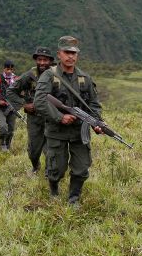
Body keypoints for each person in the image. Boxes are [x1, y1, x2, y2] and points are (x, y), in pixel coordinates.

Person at [33, 36, 103, 206]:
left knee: (81, 167)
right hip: (57, 130)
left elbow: (93, 103)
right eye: (67, 52)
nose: (71, 57)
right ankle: (54, 190)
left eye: (74, 53)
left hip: (80, 131)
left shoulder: (84, 78)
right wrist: (60, 117)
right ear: (59, 54)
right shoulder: (49, 76)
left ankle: (74, 198)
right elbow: (40, 101)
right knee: (57, 167)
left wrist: (97, 122)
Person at [14, 47, 55, 172]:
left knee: (51, 150)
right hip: (34, 119)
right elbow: (11, 91)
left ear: (50, 61)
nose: (42, 63)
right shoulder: (29, 76)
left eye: (45, 60)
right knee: (33, 151)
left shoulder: (57, 75)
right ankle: (35, 166)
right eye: (39, 59)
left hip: (52, 118)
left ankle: (49, 174)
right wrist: (24, 105)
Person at [0, 59, 24, 151]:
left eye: (11, 69)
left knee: (11, 129)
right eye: (7, 69)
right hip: (0, 107)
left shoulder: (16, 79)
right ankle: (2, 143)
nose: (9, 71)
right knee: (3, 127)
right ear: (4, 69)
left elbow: (20, 93)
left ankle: (8, 145)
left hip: (12, 108)